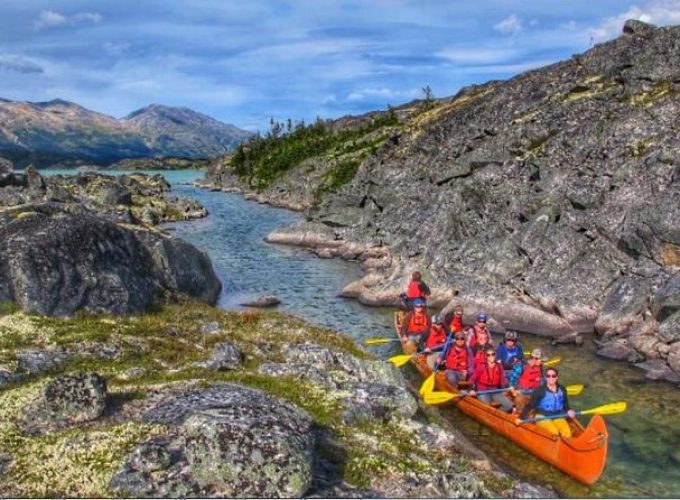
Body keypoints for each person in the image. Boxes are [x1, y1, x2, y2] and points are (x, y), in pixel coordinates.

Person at [515, 367, 576, 437]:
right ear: (546, 378)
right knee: (554, 432)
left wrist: (569, 410)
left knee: (567, 433)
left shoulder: (562, 389)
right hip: (542, 415)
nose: (551, 378)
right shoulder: (539, 390)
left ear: (557, 377)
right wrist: (520, 418)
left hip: (557, 415)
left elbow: (565, 403)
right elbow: (530, 405)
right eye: (548, 376)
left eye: (553, 376)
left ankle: (565, 446)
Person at [468, 346, 514, 413]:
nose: (491, 356)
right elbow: (472, 379)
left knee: (509, 405)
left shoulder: (499, 366)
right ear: (486, 356)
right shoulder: (481, 367)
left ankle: (497, 415)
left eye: (493, 354)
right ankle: (490, 415)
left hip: (495, 391)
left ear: (495, 355)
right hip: (482, 391)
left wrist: (508, 387)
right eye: (488, 355)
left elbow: (503, 380)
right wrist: (471, 390)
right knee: (486, 406)